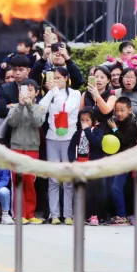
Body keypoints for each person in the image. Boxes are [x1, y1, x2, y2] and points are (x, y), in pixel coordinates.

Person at [39, 66, 80, 224]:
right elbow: (41, 109)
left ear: (66, 78)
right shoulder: (52, 93)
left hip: (69, 139)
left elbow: (65, 109)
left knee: (68, 180)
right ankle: (54, 214)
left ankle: (68, 214)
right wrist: (50, 92)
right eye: (53, 78)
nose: (55, 81)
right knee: (54, 179)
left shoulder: (75, 94)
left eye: (58, 78)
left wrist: (54, 91)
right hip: (52, 138)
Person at [7, 78, 46, 223]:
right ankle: (19, 214)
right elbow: (12, 122)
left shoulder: (40, 108)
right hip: (16, 147)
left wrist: (29, 106)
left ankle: (30, 214)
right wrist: (20, 106)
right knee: (18, 181)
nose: (27, 93)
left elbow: (37, 122)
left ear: (36, 92)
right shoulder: (14, 107)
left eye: (30, 90)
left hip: (32, 148)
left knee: (30, 181)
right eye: (24, 90)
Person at [106, 96, 137, 225]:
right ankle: (119, 214)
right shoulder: (118, 122)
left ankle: (122, 215)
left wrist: (115, 129)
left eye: (122, 110)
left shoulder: (132, 126)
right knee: (114, 188)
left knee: (116, 188)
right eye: (117, 110)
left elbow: (124, 142)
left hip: (125, 162)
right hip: (116, 161)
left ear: (130, 110)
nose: (119, 113)